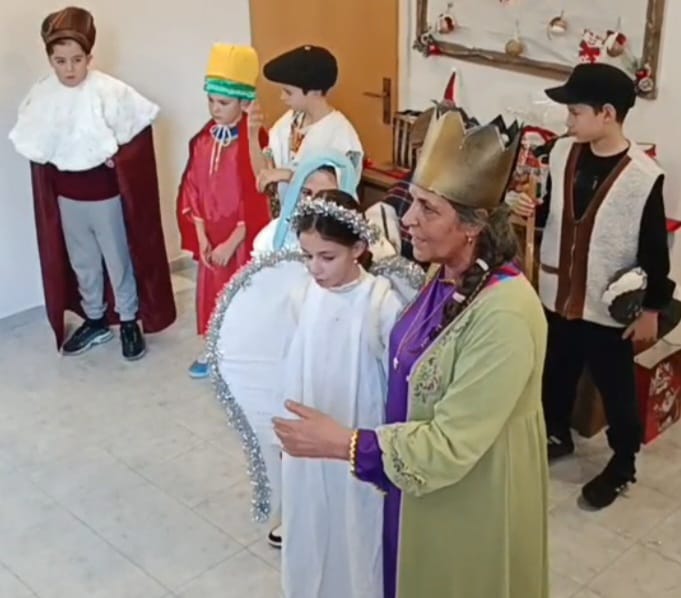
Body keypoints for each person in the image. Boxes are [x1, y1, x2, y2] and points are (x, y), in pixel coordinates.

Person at [273, 109, 550, 598]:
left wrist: (345, 444)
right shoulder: (444, 275)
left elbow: (450, 445)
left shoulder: (504, 314)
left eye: (428, 208)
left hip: (469, 500)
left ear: (473, 225)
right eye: (413, 201)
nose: (407, 219)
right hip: (416, 487)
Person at [508, 62, 675, 509]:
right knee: (556, 369)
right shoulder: (563, 153)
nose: (568, 120)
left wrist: (652, 309)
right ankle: (556, 431)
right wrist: (528, 208)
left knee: (615, 386)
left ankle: (623, 463)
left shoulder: (643, 176)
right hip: (558, 293)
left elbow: (654, 249)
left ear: (607, 114)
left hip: (605, 306)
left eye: (575, 112)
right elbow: (554, 211)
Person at [8, 6, 176, 359]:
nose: (69, 69)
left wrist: (119, 161)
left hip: (106, 198)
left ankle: (128, 319)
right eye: (60, 61)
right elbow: (38, 145)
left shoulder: (109, 91)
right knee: (82, 261)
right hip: (67, 198)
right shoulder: (43, 94)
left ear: (89, 57)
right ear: (50, 60)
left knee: (117, 259)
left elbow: (136, 135)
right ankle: (95, 318)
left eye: (77, 60)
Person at [280, 190, 408, 598]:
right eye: (307, 256)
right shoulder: (302, 294)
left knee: (356, 522)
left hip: (355, 429)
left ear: (358, 248)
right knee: (310, 518)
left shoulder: (380, 302)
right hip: (310, 430)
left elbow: (396, 380)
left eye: (327, 257)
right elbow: (294, 359)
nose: (314, 268)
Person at [177, 43, 271, 379]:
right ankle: (213, 346)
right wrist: (201, 234)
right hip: (212, 236)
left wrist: (234, 240)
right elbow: (192, 187)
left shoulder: (255, 141)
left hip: (240, 239)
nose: (215, 109)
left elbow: (257, 195)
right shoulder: (203, 141)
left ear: (244, 102)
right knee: (212, 293)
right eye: (211, 101)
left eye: (224, 103)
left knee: (242, 293)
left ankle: (243, 352)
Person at [247, 45, 363, 199]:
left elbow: (336, 188)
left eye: (288, 92)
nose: (282, 97)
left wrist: (288, 175)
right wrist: (253, 136)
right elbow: (264, 177)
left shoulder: (340, 132)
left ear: (314, 91)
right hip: (287, 212)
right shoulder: (287, 123)